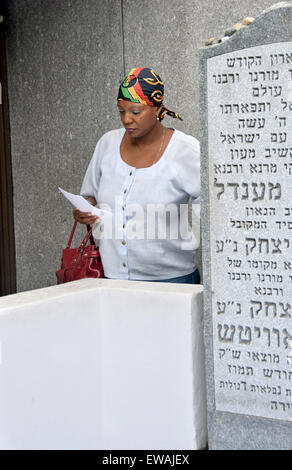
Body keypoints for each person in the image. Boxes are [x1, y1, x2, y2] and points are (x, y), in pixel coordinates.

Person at [73, 67, 200, 284]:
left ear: (156, 108)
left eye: (135, 111)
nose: (126, 119)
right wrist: (84, 211)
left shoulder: (186, 150)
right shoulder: (107, 144)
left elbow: (214, 212)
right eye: (121, 111)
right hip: (113, 278)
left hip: (171, 280)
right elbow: (89, 195)